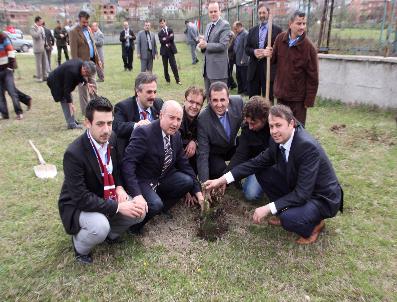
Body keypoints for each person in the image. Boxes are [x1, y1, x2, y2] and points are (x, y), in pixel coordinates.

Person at [204, 105, 343, 244]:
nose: (274, 131)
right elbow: (255, 163)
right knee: (263, 171)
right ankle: (284, 212)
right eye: (271, 126)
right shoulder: (277, 140)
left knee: (289, 219)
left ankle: (314, 226)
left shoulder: (307, 146)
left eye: (278, 125)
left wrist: (268, 208)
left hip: (322, 197)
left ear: (291, 124)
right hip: (300, 186)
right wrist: (222, 179)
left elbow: (302, 194)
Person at [58, 97, 147, 264]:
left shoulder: (111, 138)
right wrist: (119, 206)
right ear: (87, 123)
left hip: (106, 195)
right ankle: (80, 246)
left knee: (139, 210)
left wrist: (120, 187)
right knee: (100, 227)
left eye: (110, 123)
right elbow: (81, 198)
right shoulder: (74, 153)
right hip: (78, 205)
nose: (106, 130)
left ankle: (110, 235)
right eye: (100, 124)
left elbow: (117, 167)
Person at [122, 100, 204, 233]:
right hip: (143, 179)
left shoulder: (176, 136)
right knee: (155, 204)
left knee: (187, 181)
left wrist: (198, 193)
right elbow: (128, 164)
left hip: (162, 176)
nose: (175, 123)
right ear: (161, 115)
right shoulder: (144, 132)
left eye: (179, 119)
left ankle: (161, 208)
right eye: (171, 118)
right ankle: (134, 227)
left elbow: (185, 165)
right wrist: (137, 194)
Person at [271, 10, 319, 125]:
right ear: (290, 24)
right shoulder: (280, 39)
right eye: (299, 23)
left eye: (304, 24)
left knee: (297, 129)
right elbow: (273, 61)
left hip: (298, 99)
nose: (302, 27)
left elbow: (313, 77)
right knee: (281, 126)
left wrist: (309, 100)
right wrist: (269, 54)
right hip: (281, 95)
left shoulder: (309, 48)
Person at [197, 81, 243, 183]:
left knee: (246, 143)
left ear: (228, 98)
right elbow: (203, 153)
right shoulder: (203, 118)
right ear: (209, 100)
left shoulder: (238, 102)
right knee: (221, 173)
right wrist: (204, 183)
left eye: (222, 99)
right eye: (215, 100)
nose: (219, 104)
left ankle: (239, 174)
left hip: (232, 145)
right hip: (215, 153)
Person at [227, 96, 271, 201]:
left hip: (273, 165)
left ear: (264, 119)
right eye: (248, 122)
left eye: (253, 123)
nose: (250, 127)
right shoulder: (247, 129)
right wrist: (224, 178)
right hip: (256, 164)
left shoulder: (274, 127)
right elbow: (240, 155)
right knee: (251, 194)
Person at [113, 72, 163, 154]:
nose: (153, 96)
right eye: (149, 92)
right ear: (138, 91)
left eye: (155, 92)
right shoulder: (123, 107)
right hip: (134, 154)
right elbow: (116, 127)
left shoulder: (159, 103)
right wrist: (137, 125)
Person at [245, 3, 282, 99]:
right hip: (254, 69)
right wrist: (254, 52)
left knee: (268, 97)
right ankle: (254, 114)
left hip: (268, 69)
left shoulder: (277, 30)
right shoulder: (252, 30)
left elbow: (281, 50)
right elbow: (247, 48)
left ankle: (268, 114)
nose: (261, 15)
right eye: (260, 13)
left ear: (268, 13)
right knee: (253, 99)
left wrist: (271, 52)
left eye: (264, 13)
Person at [47, 59, 96, 129]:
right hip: (55, 81)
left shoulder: (81, 64)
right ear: (84, 69)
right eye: (87, 74)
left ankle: (72, 121)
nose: (87, 76)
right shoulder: (72, 71)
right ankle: (71, 124)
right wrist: (70, 104)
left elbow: (80, 76)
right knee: (65, 99)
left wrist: (87, 84)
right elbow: (66, 90)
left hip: (61, 80)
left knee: (68, 99)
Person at [69, 10, 101, 115]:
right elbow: (73, 52)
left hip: (91, 63)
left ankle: (96, 106)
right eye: (83, 22)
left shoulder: (89, 29)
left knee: (93, 85)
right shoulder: (73, 32)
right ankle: (86, 111)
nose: (86, 24)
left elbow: (94, 46)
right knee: (83, 89)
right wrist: (77, 67)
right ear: (79, 20)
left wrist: (98, 59)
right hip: (81, 66)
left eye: (87, 22)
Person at [197, 1, 231, 97]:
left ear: (220, 11)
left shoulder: (225, 25)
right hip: (208, 69)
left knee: (219, 98)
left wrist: (206, 45)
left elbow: (223, 45)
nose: (213, 14)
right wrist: (202, 43)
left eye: (215, 11)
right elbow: (207, 43)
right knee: (209, 97)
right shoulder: (208, 25)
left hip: (218, 71)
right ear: (208, 13)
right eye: (210, 12)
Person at [180, 86, 205, 173]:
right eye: (191, 102)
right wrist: (189, 142)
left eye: (198, 104)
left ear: (202, 106)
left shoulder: (202, 119)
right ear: (184, 101)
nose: (194, 106)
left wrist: (194, 142)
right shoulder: (177, 117)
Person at [0, 31, 23, 120]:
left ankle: (19, 112)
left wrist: (10, 67)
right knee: (0, 95)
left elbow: (11, 52)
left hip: (7, 70)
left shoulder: (3, 37)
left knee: (12, 92)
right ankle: (4, 114)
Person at [158, 18, 181, 85]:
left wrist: (166, 39)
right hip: (164, 52)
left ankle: (178, 80)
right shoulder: (160, 33)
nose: (162, 24)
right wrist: (168, 38)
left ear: (165, 22)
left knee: (174, 65)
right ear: (160, 24)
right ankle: (167, 80)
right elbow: (161, 41)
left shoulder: (170, 30)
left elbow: (172, 38)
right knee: (165, 67)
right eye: (161, 23)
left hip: (171, 51)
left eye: (163, 22)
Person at [232, 21, 249, 95]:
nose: (234, 30)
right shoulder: (238, 34)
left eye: (236, 29)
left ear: (240, 27)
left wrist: (244, 59)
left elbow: (246, 48)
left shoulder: (245, 34)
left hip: (243, 60)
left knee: (244, 76)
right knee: (238, 76)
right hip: (237, 59)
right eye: (234, 29)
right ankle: (240, 89)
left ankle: (246, 90)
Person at [30, 16, 48, 82]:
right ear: (37, 21)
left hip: (43, 48)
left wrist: (46, 44)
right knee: (39, 64)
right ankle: (39, 77)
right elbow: (35, 36)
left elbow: (44, 37)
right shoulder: (32, 28)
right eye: (40, 21)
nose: (42, 22)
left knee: (44, 63)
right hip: (37, 49)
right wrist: (39, 30)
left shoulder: (41, 28)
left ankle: (44, 76)